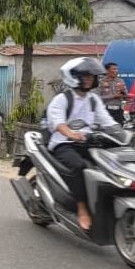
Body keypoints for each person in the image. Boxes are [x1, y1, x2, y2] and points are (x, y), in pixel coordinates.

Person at [46, 57, 121, 231]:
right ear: (73, 76)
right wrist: (71, 134)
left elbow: (107, 122)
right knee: (79, 166)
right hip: (64, 144)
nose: (89, 79)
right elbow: (58, 123)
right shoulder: (62, 99)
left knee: (111, 164)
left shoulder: (94, 99)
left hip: (87, 142)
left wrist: (126, 133)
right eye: (85, 75)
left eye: (91, 76)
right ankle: (82, 209)